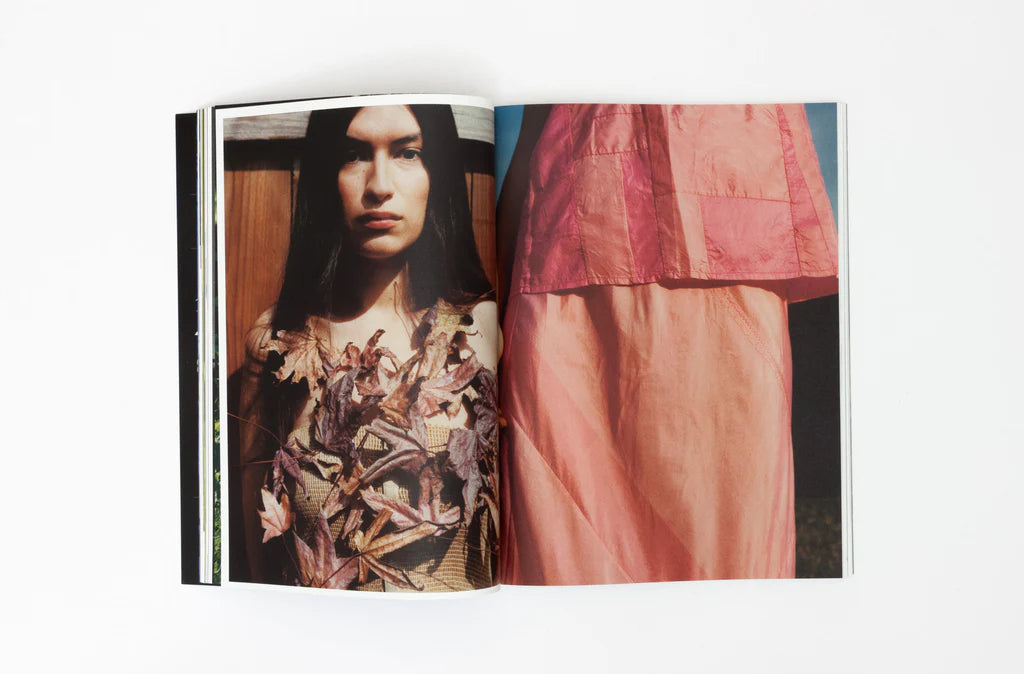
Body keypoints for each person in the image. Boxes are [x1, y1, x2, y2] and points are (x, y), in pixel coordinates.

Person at [497, 104, 840, 584]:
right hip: (571, 240)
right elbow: (535, 124)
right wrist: (491, 292)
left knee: (728, 558)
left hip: (733, 232)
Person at [238, 104, 500, 592]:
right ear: (325, 174)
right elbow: (259, 566)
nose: (379, 185)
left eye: (408, 153)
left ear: (437, 173)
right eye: (354, 154)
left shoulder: (481, 331)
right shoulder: (279, 343)